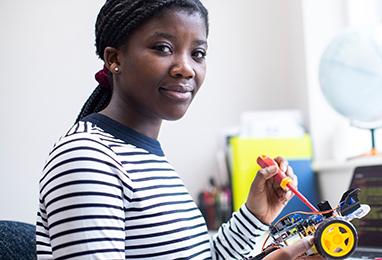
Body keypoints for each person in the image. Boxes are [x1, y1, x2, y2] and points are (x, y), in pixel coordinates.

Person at [35, 0, 319, 259]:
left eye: (198, 53)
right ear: (114, 59)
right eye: (163, 48)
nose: (186, 68)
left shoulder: (144, 157)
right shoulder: (87, 158)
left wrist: (257, 214)